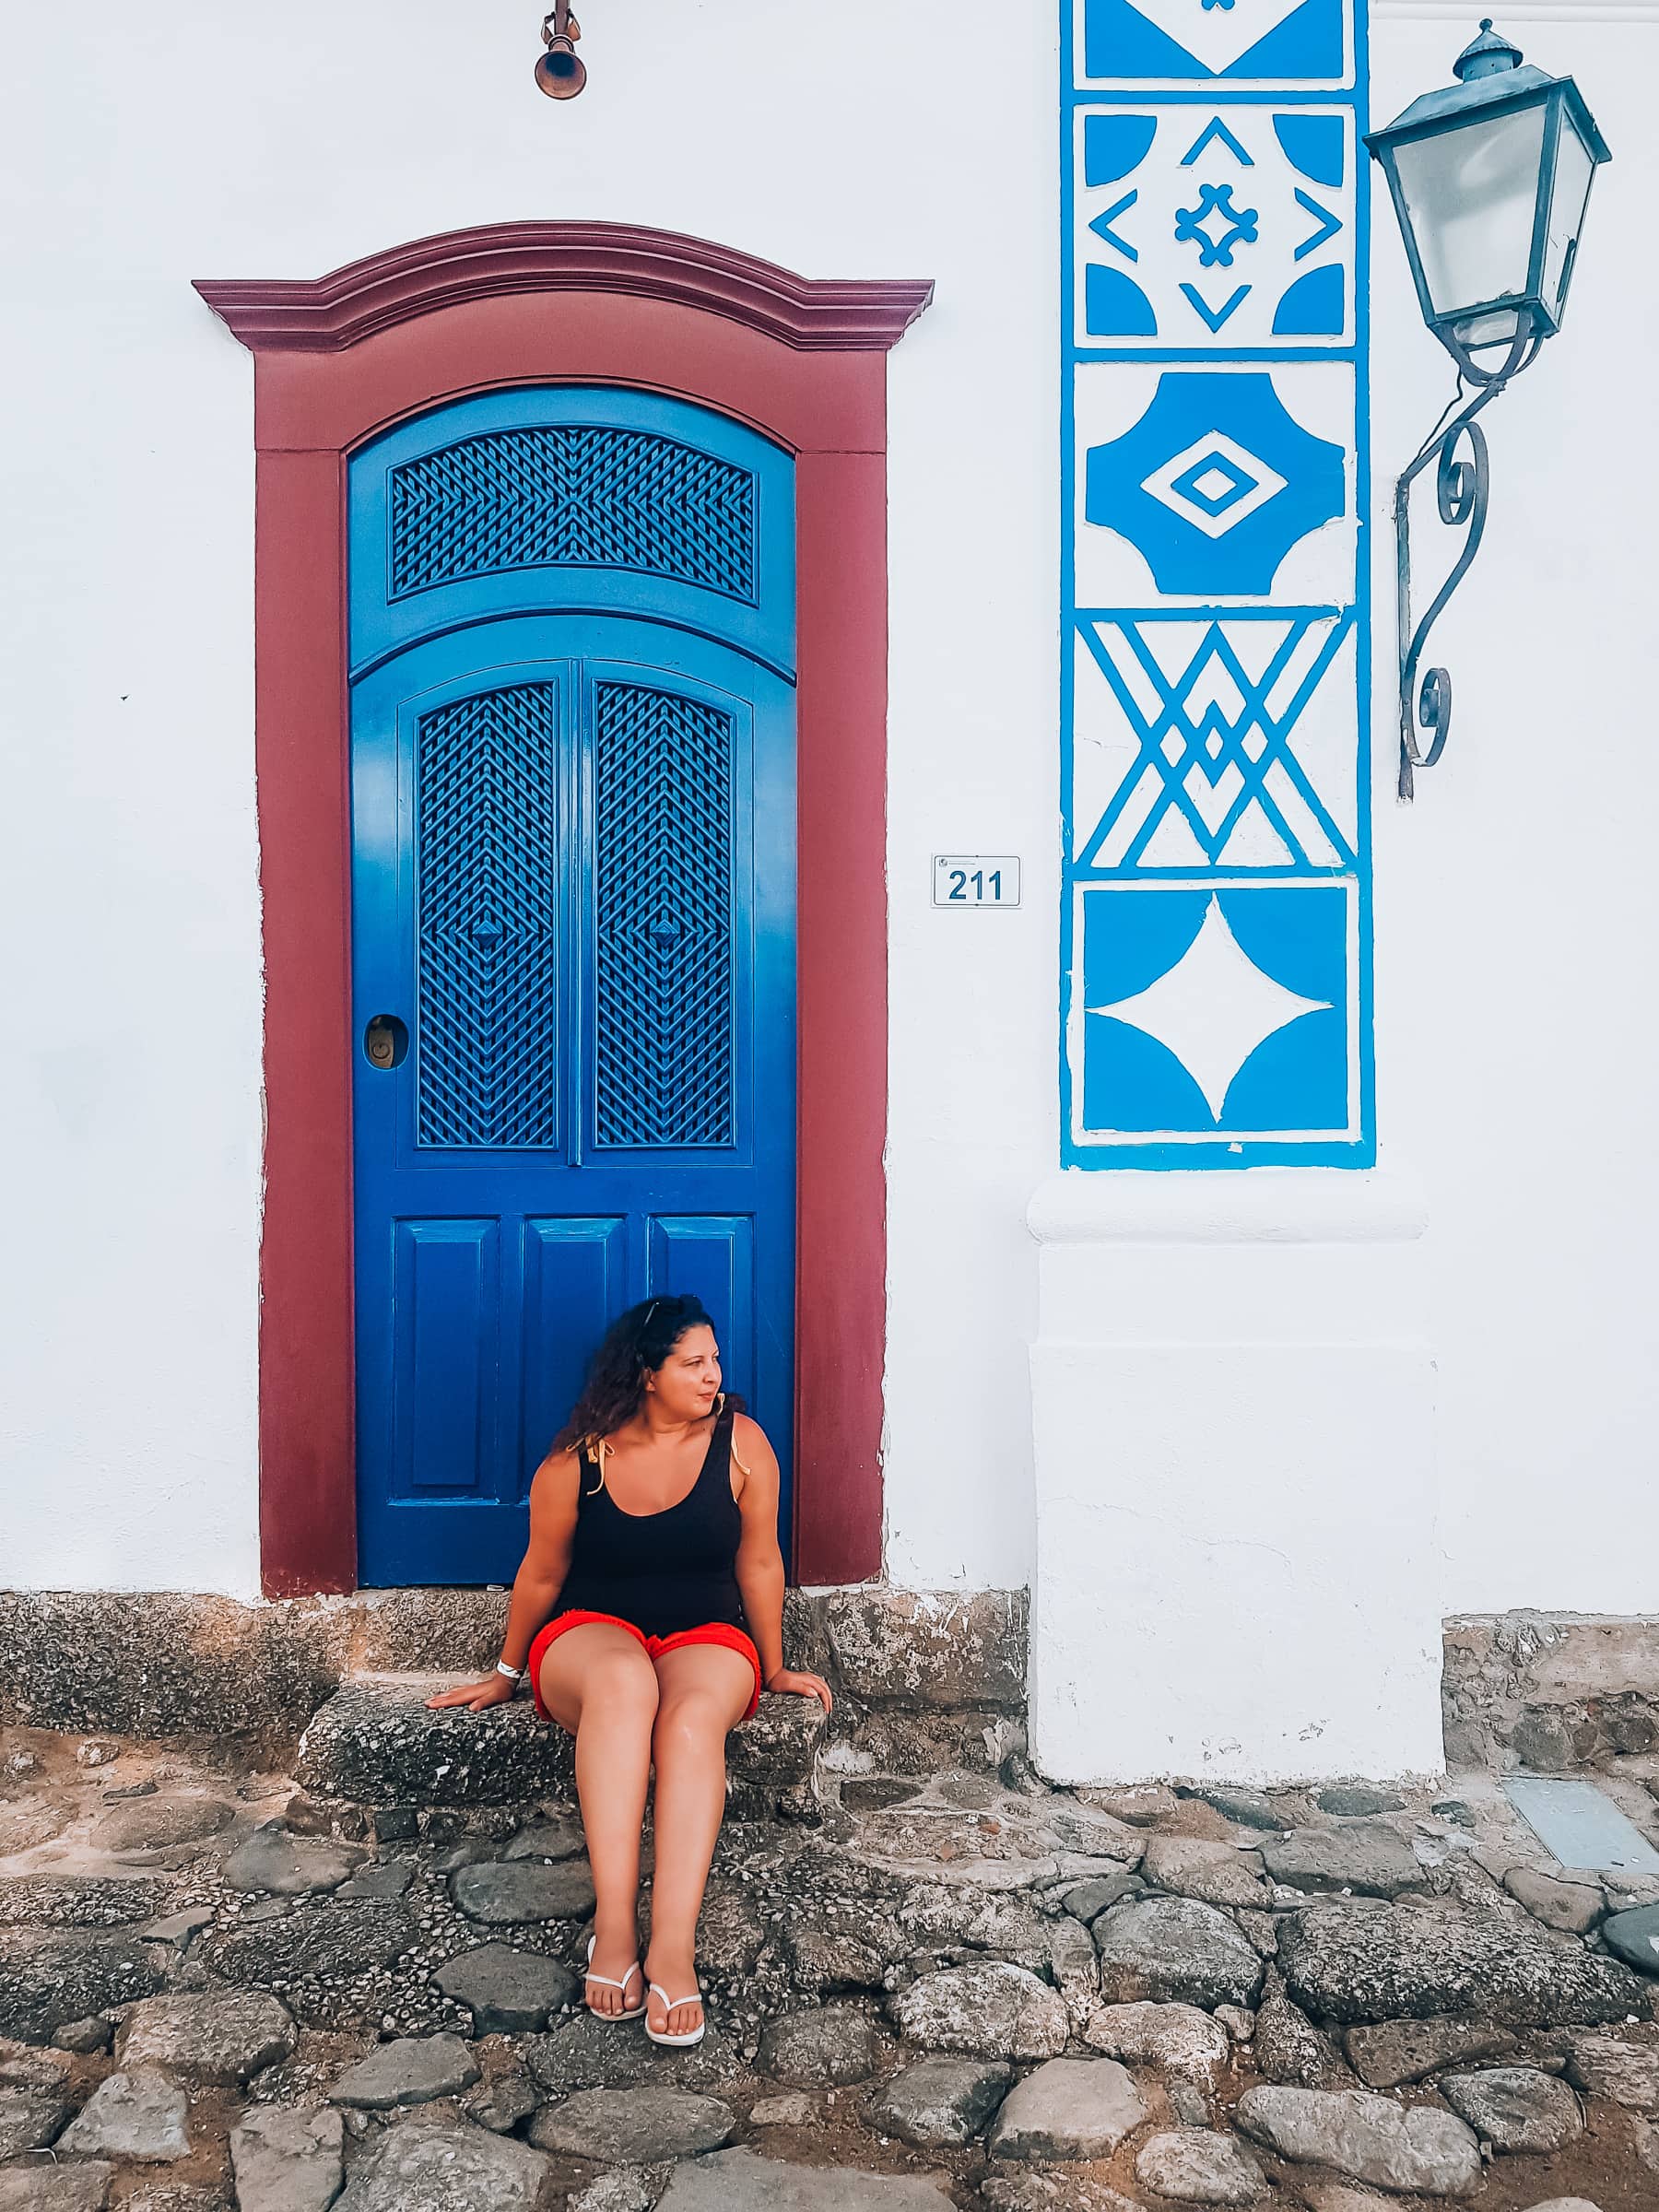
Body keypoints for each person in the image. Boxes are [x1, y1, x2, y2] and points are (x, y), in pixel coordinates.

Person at [427, 1294, 831, 2048]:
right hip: (593, 1633)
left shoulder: (742, 1445)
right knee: (625, 1686)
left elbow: (760, 1560)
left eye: (715, 1360)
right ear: (647, 1374)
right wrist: (506, 1672)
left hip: (707, 1632)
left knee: (687, 1722)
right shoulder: (579, 1459)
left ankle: (672, 1949)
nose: (714, 1376)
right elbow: (542, 1576)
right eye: (693, 1363)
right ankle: (614, 1931)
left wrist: (774, 1666)